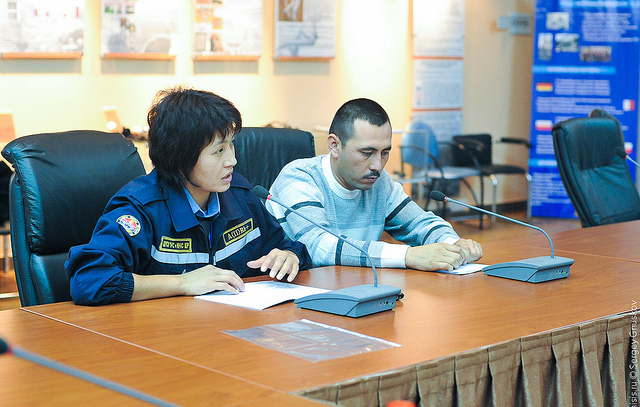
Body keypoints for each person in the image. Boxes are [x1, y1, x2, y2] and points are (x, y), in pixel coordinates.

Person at [66, 86, 311, 305]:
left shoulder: (238, 193)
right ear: (181, 158)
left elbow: (284, 244)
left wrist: (289, 256)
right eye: (219, 151)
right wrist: (182, 284)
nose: (232, 160)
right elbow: (90, 280)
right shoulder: (142, 208)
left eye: (232, 145)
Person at [266, 98, 482, 272]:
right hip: (300, 295)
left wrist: (452, 244)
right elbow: (321, 247)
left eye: (384, 152)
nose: (378, 165)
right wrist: (408, 256)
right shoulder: (298, 178)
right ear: (334, 145)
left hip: (358, 288)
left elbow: (418, 222)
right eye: (367, 153)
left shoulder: (379, 181)